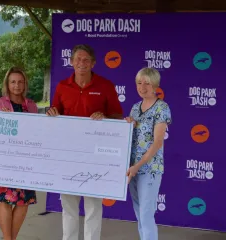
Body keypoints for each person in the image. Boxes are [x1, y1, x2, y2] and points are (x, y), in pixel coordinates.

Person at [46, 44, 123, 240]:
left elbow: (117, 116)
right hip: (68, 155)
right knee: (69, 207)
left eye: (86, 60)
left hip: (95, 156)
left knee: (93, 206)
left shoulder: (105, 86)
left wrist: (105, 117)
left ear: (93, 63)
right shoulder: (62, 86)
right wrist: (51, 112)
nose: (82, 63)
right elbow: (54, 113)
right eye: (78, 59)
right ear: (71, 62)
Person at [0, 67, 38, 240]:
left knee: (24, 203)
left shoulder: (31, 106)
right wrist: (3, 120)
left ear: (25, 84)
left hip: (25, 162)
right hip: (4, 162)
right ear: (7, 84)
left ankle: (10, 238)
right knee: (5, 200)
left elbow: (37, 133)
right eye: (13, 82)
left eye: (20, 82)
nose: (17, 85)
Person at [125, 67, 172, 240]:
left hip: (149, 168)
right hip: (132, 167)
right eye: (139, 82)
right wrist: (127, 125)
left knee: (146, 213)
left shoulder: (162, 107)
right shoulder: (135, 108)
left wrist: (137, 166)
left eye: (147, 83)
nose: (142, 86)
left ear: (155, 86)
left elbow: (157, 142)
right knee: (139, 213)